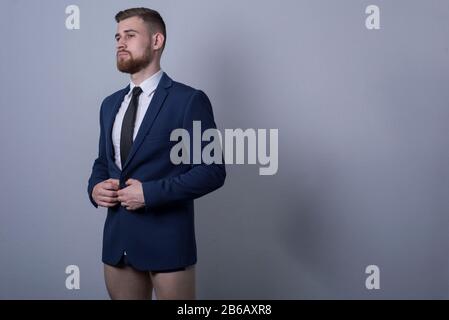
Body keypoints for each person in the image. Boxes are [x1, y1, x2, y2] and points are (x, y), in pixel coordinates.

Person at [87, 7, 226, 300]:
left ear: (156, 40)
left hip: (168, 243)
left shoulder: (189, 101)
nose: (119, 43)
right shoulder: (109, 105)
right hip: (118, 243)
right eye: (116, 37)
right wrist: (95, 188)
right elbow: (104, 162)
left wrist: (150, 193)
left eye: (130, 35)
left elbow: (212, 171)